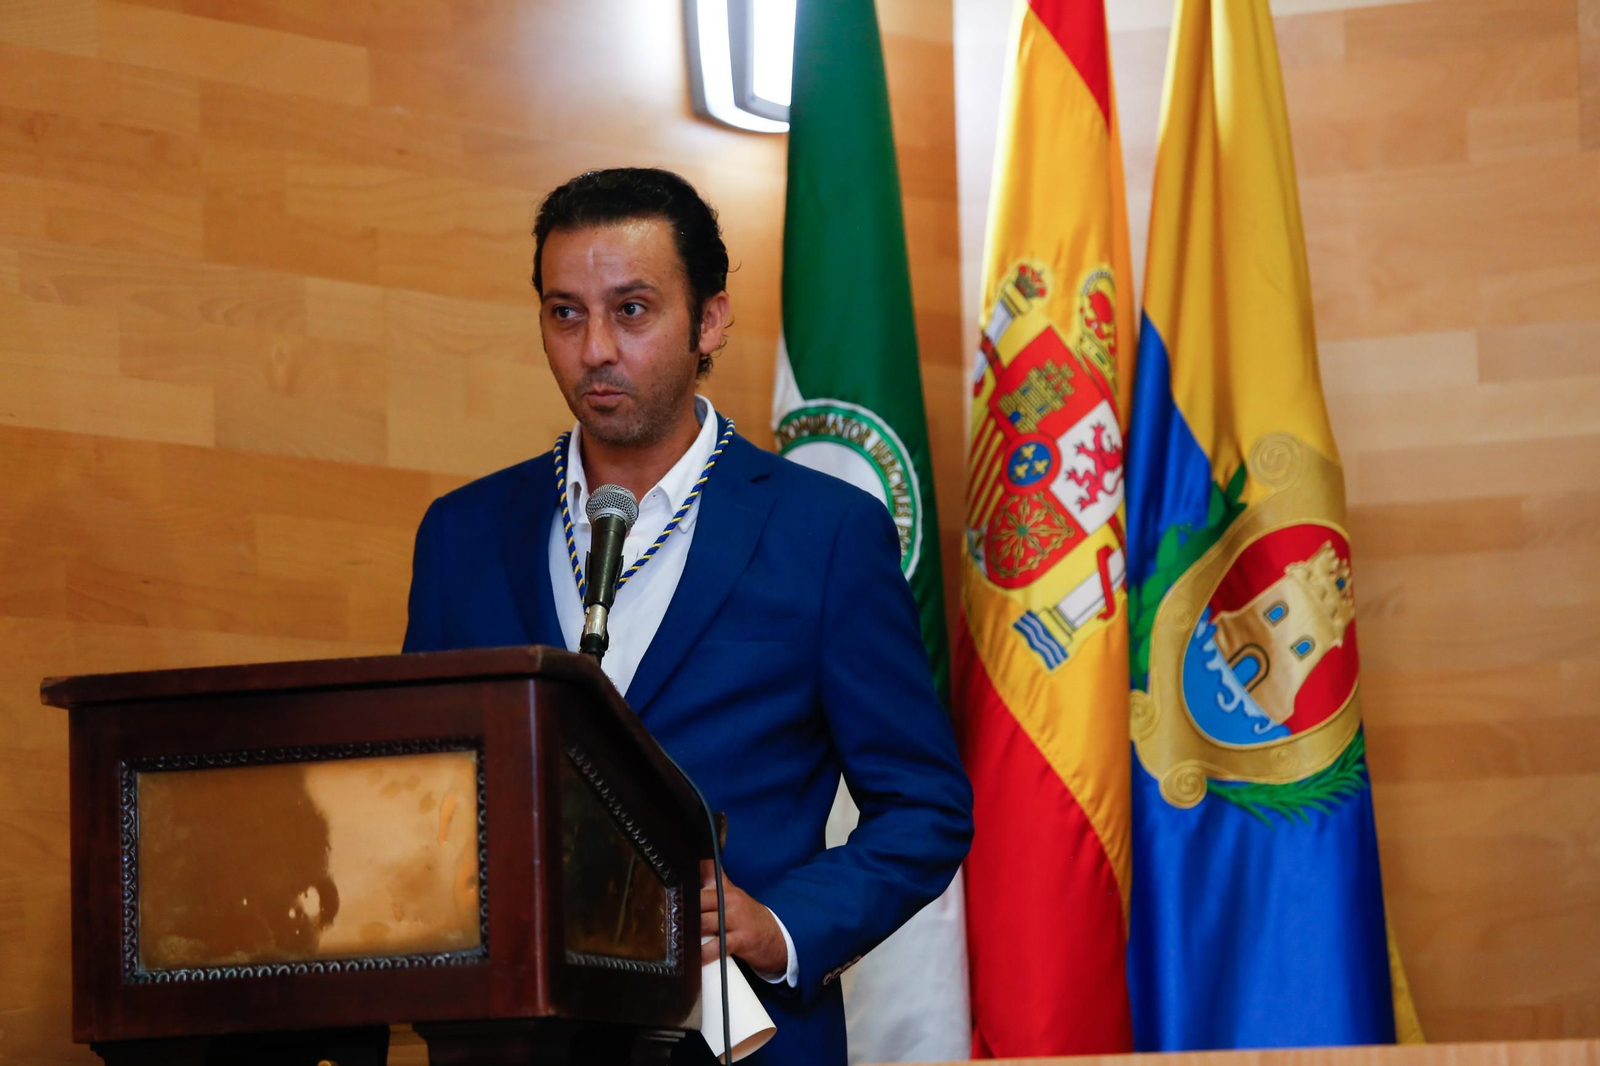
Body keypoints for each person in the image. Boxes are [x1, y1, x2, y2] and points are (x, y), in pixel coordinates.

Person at [402, 167, 972, 1066]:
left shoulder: (823, 534)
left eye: (631, 310)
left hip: (739, 1041)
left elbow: (925, 806)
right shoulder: (463, 536)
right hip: (512, 1042)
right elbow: (418, 791)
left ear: (709, 319)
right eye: (564, 313)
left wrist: (781, 923)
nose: (594, 348)